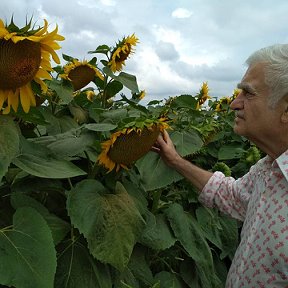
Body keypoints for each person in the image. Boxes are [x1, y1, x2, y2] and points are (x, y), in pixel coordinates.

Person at [153, 44, 288, 287]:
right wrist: (175, 160)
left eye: (248, 93)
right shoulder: (268, 168)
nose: (234, 104)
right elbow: (232, 195)